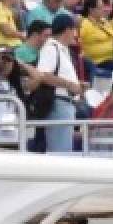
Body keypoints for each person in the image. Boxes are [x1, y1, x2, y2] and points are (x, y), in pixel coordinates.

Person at [37, 14, 84, 152]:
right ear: (67, 30)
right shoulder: (51, 48)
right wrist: (70, 85)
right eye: (74, 30)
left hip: (65, 103)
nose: (75, 34)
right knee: (61, 151)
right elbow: (43, 75)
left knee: (64, 149)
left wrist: (77, 84)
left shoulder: (61, 50)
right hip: (59, 103)